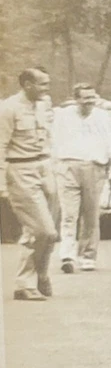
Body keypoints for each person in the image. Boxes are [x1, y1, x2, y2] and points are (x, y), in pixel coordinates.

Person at [0, 68, 59, 300]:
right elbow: (1, 146)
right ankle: (30, 280)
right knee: (43, 230)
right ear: (27, 84)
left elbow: (48, 138)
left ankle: (36, 277)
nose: (46, 89)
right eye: (42, 84)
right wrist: (2, 183)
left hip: (45, 168)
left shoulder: (43, 106)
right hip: (21, 170)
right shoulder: (8, 109)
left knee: (46, 233)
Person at [53, 83, 111, 273]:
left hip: (94, 167)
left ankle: (88, 255)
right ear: (76, 99)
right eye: (85, 98)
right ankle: (67, 255)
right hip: (68, 167)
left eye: (92, 97)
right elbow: (54, 141)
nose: (89, 101)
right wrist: (55, 165)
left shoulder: (103, 117)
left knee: (90, 215)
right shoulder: (63, 116)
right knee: (69, 214)